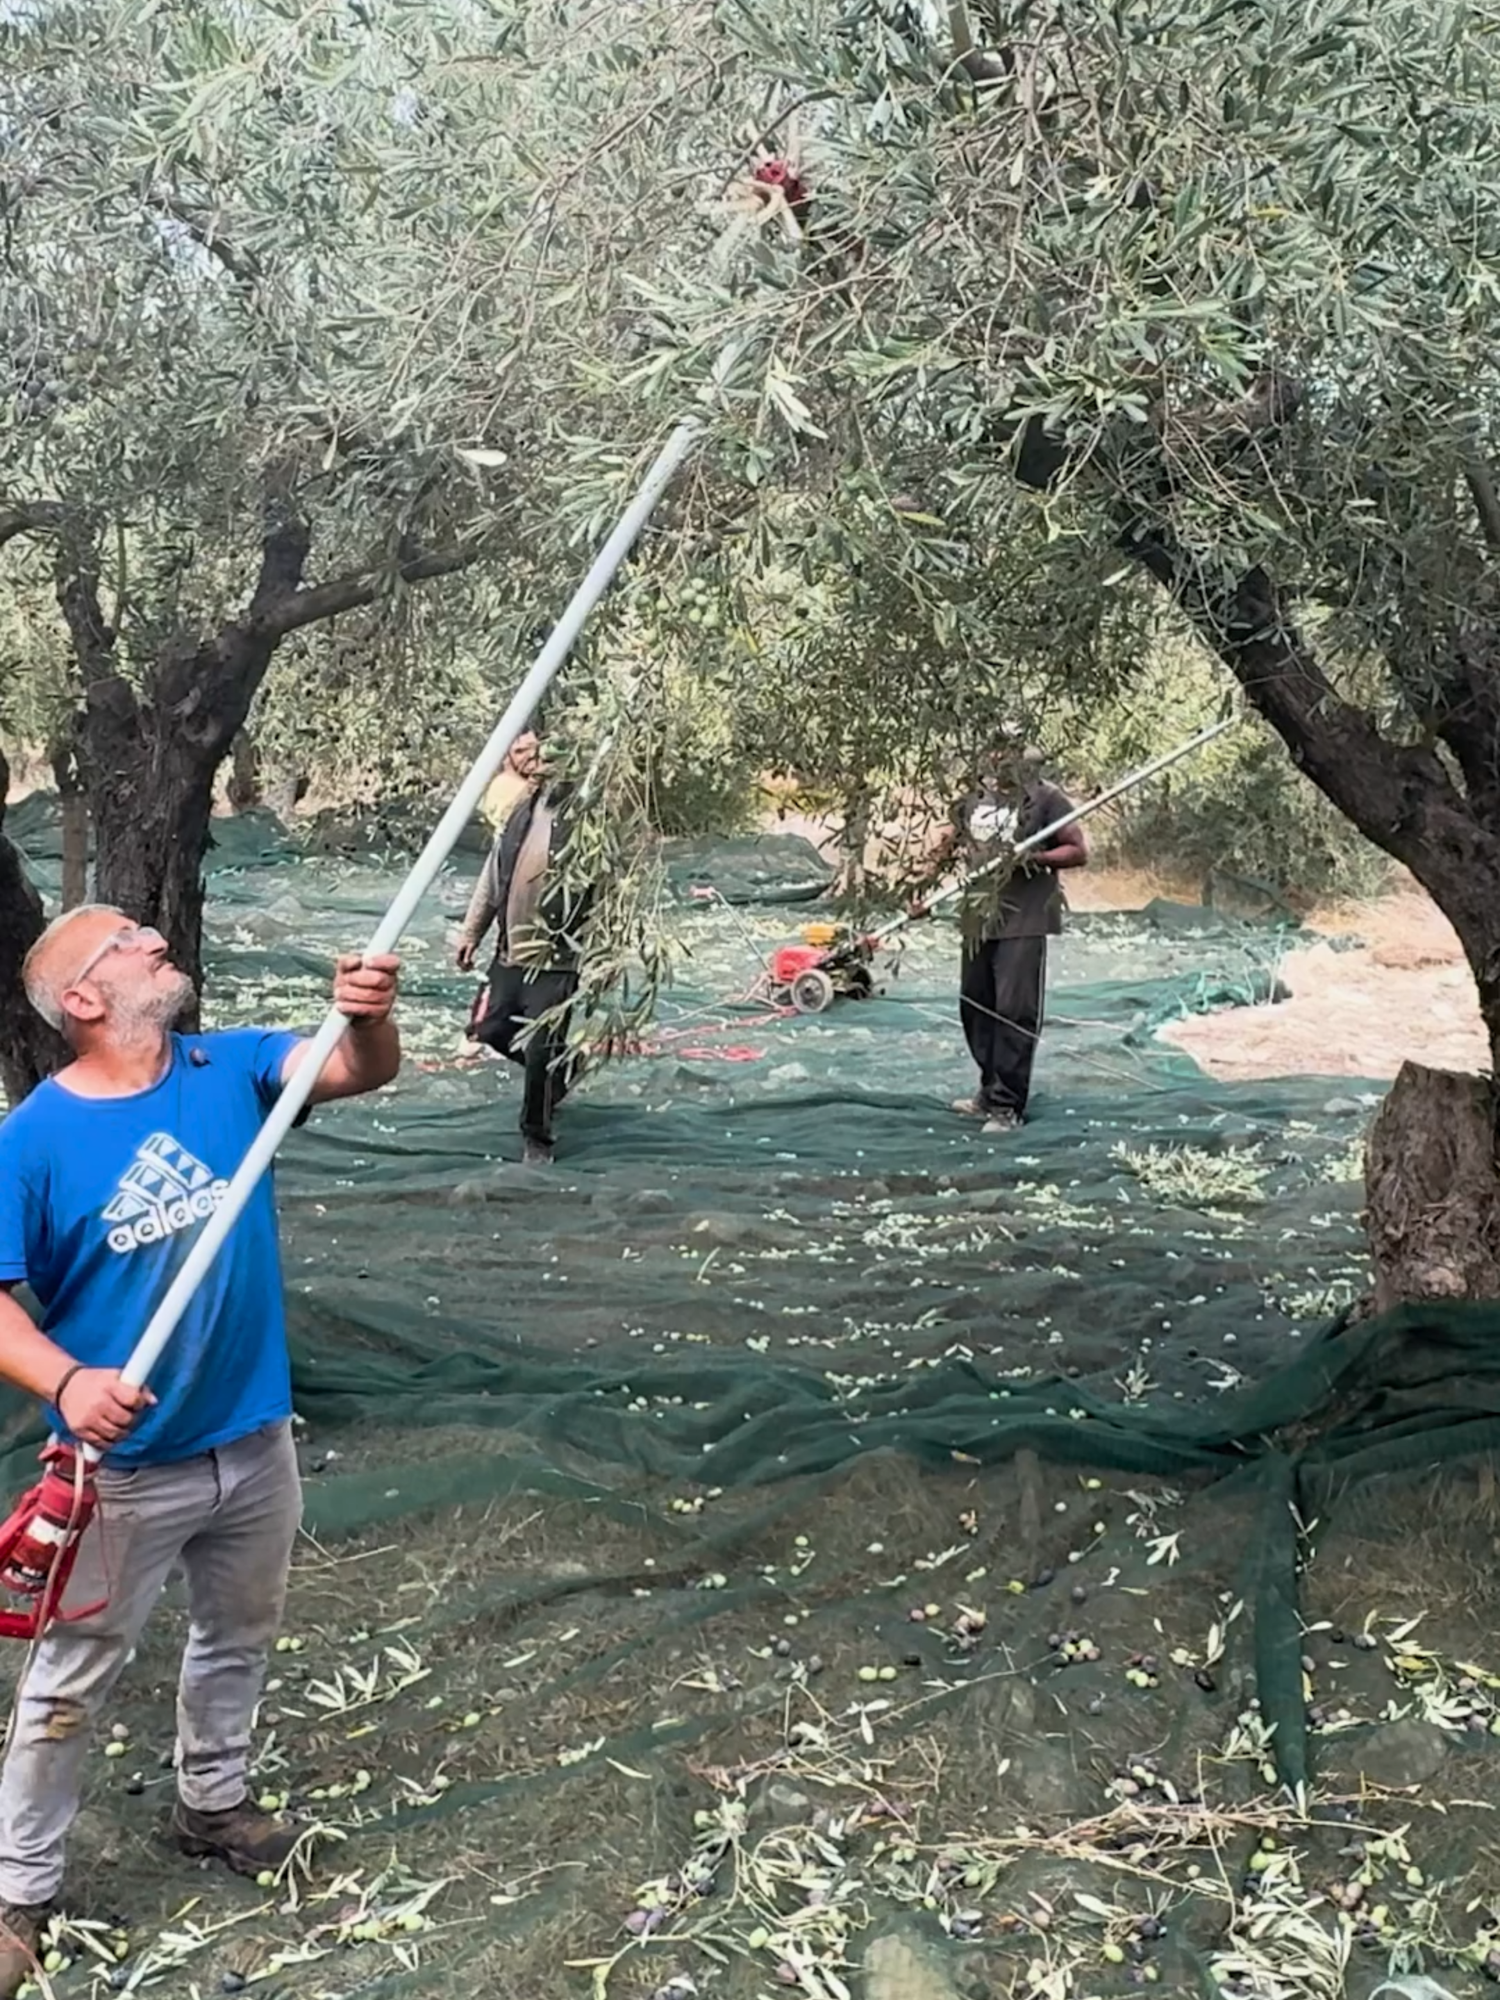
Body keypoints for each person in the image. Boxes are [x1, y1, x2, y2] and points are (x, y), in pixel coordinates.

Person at [0, 906, 401, 1994]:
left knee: (238, 1634)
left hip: (253, 1438)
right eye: (124, 938)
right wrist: (68, 1380)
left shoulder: (233, 1066)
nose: (149, 934)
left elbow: (356, 1071)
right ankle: (19, 1889)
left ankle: (210, 1802)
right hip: (124, 1472)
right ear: (84, 1000)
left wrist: (368, 1019)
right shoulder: (34, 1137)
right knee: (69, 1682)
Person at [915, 737, 1088, 1133]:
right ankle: (987, 1092)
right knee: (975, 1006)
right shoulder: (973, 798)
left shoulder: (1046, 799)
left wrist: (1032, 858)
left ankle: (1007, 1106)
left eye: (1009, 749)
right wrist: (922, 890)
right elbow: (948, 847)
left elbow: (1078, 851)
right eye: (993, 748)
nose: (999, 756)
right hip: (978, 918)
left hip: (1024, 919)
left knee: (1014, 1011)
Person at [456, 773, 594, 1165]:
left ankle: (537, 1137)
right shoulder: (522, 813)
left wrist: (601, 957)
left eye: (542, 756)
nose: (535, 764)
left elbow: (605, 890)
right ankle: (563, 1071)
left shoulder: (585, 821)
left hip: (557, 961)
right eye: (527, 754)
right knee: (489, 1029)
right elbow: (492, 876)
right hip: (510, 952)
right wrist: (472, 933)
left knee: (539, 1050)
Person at [479, 729, 542, 835]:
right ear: (505, 757)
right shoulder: (504, 784)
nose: (531, 754)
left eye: (535, 748)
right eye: (520, 751)